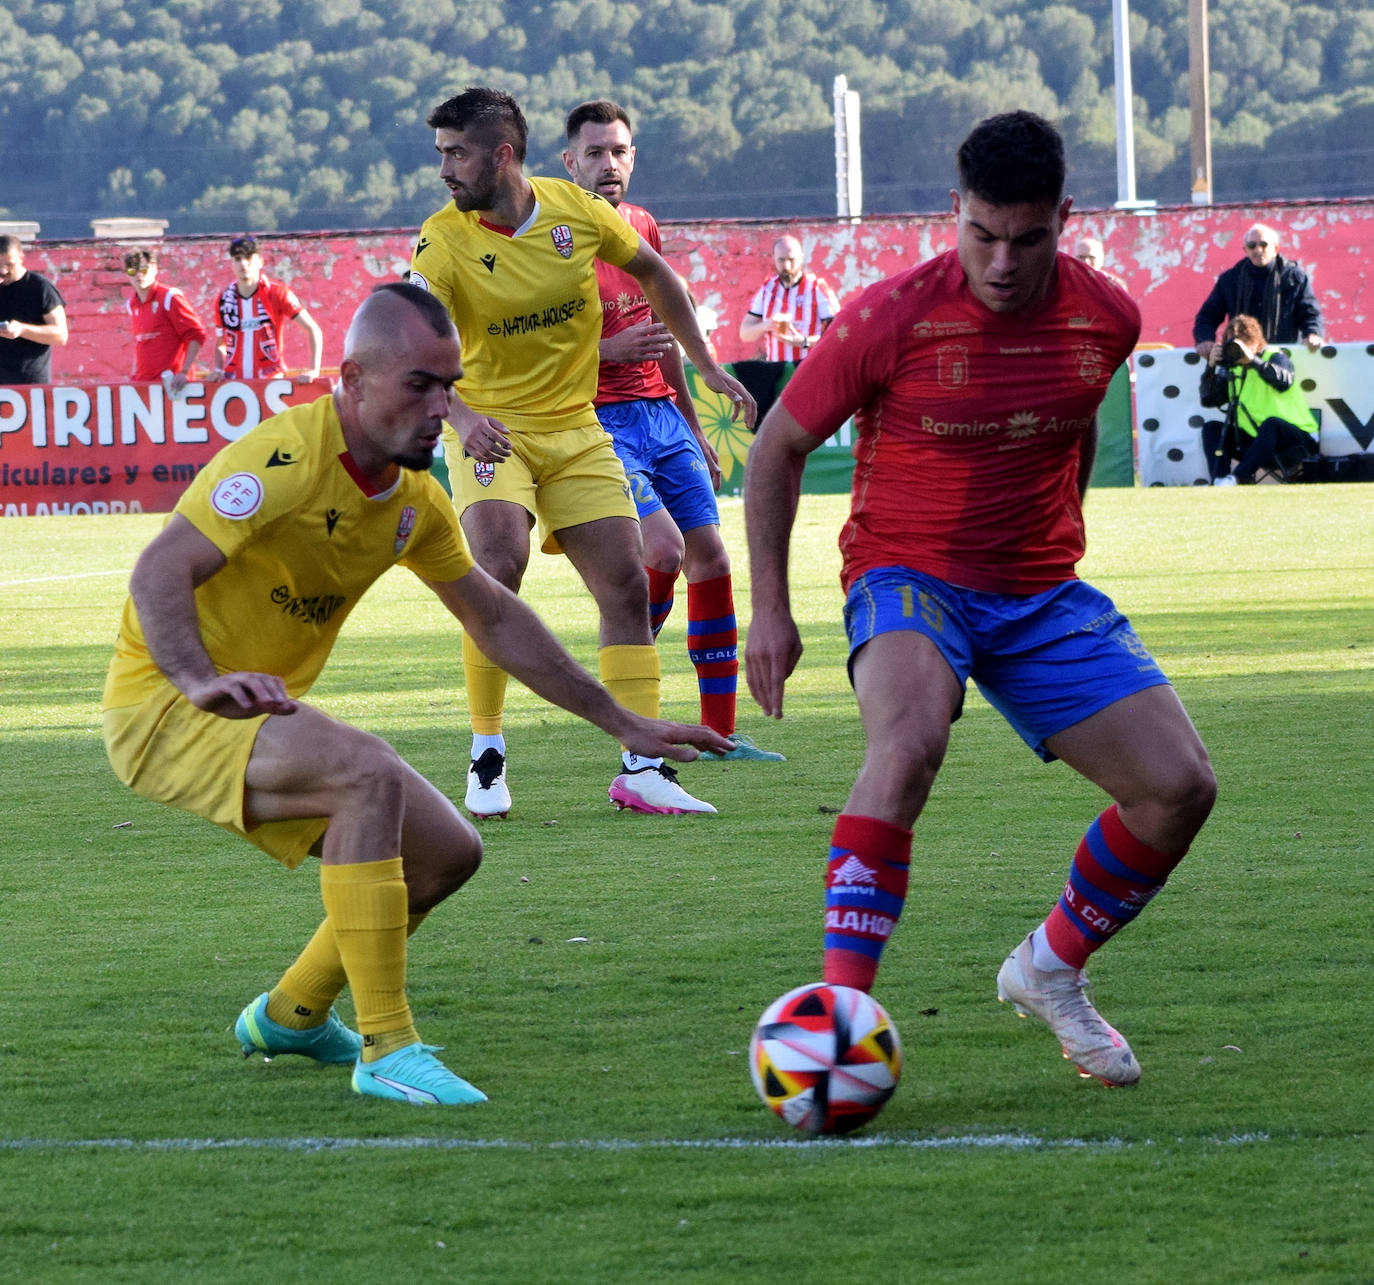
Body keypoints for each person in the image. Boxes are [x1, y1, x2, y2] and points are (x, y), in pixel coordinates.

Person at [102, 283, 730, 1106]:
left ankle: (292, 1013)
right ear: (353, 379)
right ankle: (387, 1045)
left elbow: (494, 616)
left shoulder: (413, 500)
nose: (442, 407)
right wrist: (197, 678)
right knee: (367, 772)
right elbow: (160, 568)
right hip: (166, 707)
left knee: (447, 853)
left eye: (450, 384)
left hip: (250, 712)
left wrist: (619, 717)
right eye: (420, 385)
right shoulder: (284, 459)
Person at [744, 110, 1216, 1088]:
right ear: (955, 212)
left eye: (1028, 238)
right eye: (982, 235)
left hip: (1039, 591)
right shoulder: (889, 317)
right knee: (909, 742)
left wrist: (1059, 535)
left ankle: (1048, 969)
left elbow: (1073, 425)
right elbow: (777, 446)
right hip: (907, 575)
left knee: (1179, 788)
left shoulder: (1108, 318)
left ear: (1064, 220)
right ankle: (840, 1019)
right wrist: (773, 610)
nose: (1002, 262)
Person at [409, 87, 756, 819]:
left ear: (502, 156)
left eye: (455, 153)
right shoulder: (442, 238)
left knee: (629, 586)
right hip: (491, 429)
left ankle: (642, 767)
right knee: (499, 563)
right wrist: (462, 414)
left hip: (576, 428)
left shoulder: (575, 212)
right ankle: (486, 750)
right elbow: (407, 337)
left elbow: (660, 275)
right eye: (441, 153)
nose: (443, 169)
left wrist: (707, 365)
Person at [562, 98, 784, 764]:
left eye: (619, 151)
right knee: (660, 550)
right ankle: (632, 676)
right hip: (596, 421)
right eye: (595, 152)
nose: (608, 163)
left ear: (633, 158)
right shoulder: (553, 240)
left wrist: (694, 421)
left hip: (661, 414)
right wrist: (606, 350)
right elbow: (528, 350)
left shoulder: (641, 227)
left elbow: (659, 335)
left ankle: (720, 734)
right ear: (568, 160)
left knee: (710, 556)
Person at [1199, 313, 1319, 486]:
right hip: (1258, 442)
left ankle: (1237, 478)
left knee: (1272, 424)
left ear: (1255, 342)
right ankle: (1219, 480)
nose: (1237, 351)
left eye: (1241, 344)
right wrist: (1210, 368)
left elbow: (1283, 381)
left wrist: (1253, 361)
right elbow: (1209, 400)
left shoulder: (1275, 356)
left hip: (1297, 441)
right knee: (1212, 428)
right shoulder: (1233, 368)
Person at [1193, 222, 1324, 358]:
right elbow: (1207, 317)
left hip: (1283, 359)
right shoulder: (1230, 279)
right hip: (1240, 359)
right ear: (1245, 250)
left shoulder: (1294, 278)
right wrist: (1204, 340)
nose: (1258, 249)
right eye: (1252, 245)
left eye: (1263, 244)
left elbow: (1310, 313)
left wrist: (1313, 334)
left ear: (1276, 249)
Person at [212, 235, 324, 383]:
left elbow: (312, 328)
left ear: (260, 262)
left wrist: (314, 369)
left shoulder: (278, 292)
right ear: (232, 263)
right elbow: (221, 343)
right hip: (234, 383)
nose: (243, 263)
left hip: (270, 382)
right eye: (238, 259)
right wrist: (218, 369)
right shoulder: (224, 299)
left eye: (249, 258)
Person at [739, 236, 840, 363]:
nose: (786, 266)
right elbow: (745, 334)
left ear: (801, 258)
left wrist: (804, 341)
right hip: (776, 371)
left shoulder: (817, 288)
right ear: (774, 259)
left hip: (808, 367)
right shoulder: (767, 289)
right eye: (781, 260)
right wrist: (765, 325)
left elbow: (838, 334)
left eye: (791, 260)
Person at [123, 248, 209, 393]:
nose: (138, 275)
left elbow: (196, 334)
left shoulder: (170, 297)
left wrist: (185, 372)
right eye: (132, 270)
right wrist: (135, 377)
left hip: (174, 386)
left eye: (143, 269)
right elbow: (141, 343)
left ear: (155, 269)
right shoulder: (131, 304)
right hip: (146, 388)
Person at [0, 234, 68, 385]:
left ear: (21, 258)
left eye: (9, 265)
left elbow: (61, 335)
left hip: (31, 386)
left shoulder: (40, 287)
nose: (3, 271)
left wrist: (22, 330)